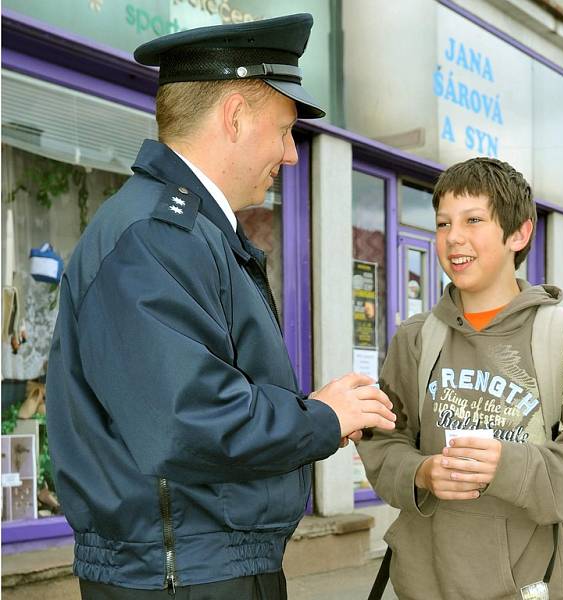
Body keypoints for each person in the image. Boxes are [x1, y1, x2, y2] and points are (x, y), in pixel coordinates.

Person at [46, 14, 396, 599]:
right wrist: (321, 418)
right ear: (234, 117)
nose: (290, 155)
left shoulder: (183, 232)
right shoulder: (157, 235)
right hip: (187, 574)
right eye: (285, 130)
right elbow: (187, 420)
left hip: (196, 563)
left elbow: (193, 400)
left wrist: (313, 417)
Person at [357, 157, 563, 600]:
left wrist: (507, 466)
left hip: (523, 585)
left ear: (519, 233)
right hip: (423, 583)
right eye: (443, 224)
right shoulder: (416, 337)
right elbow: (381, 440)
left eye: (473, 219)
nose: (453, 237)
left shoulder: (562, 334)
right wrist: (421, 472)